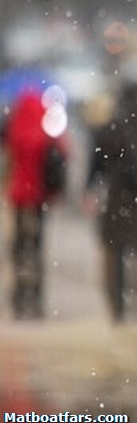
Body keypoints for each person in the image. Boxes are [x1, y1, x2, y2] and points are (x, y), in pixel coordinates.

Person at [85, 81, 137, 322]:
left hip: (119, 197)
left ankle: (118, 307)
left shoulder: (113, 126)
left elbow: (97, 162)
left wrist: (89, 188)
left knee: (116, 250)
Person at [2, 91, 69, 320]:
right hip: (39, 196)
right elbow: (63, 154)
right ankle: (37, 298)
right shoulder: (46, 131)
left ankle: (20, 297)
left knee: (20, 245)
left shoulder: (14, 129)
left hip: (19, 195)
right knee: (38, 245)